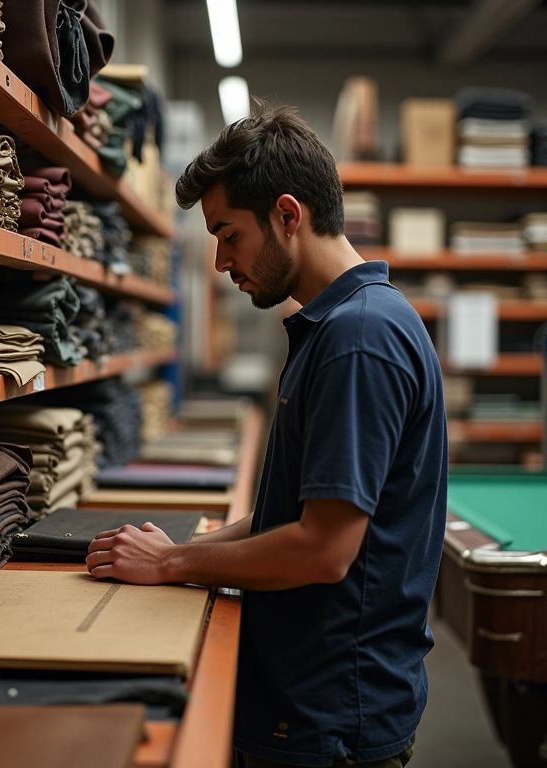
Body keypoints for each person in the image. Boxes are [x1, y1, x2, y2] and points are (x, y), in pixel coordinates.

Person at [86, 102, 448, 768]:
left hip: (328, 722)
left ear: (287, 215)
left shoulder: (358, 339)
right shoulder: (338, 325)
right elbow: (294, 512)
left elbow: (323, 550)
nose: (222, 262)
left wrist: (173, 564)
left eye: (228, 235)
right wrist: (185, 548)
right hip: (312, 707)